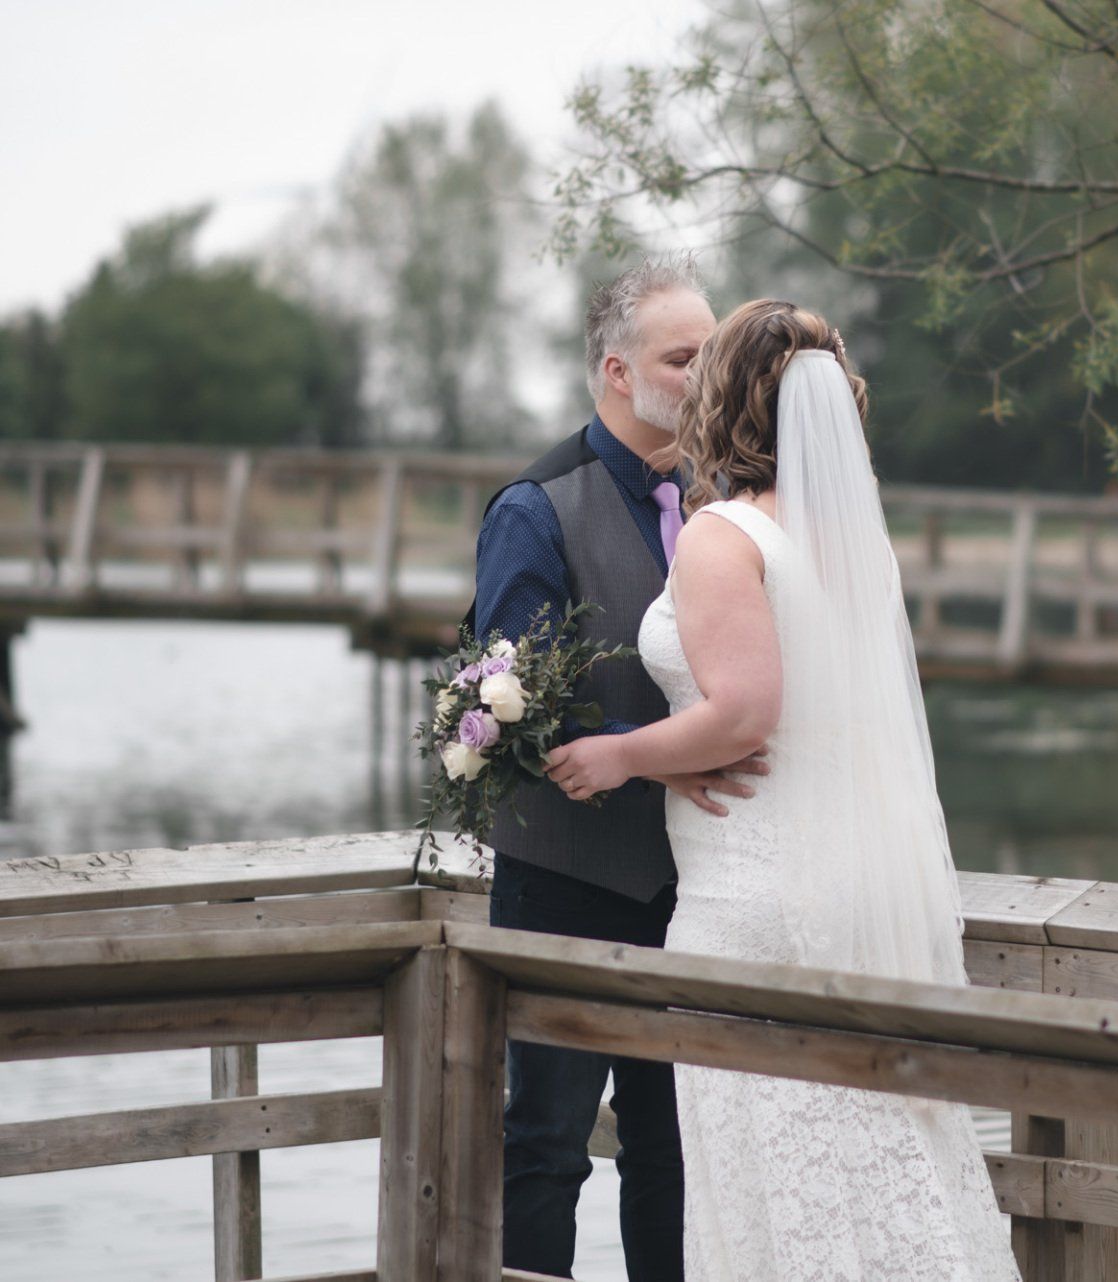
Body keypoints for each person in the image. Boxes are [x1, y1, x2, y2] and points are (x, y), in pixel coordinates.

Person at [542, 299, 1022, 1280]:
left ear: (724, 402)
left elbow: (747, 710)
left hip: (754, 891)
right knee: (870, 1146)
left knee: (764, 1159)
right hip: (845, 873)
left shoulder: (724, 535)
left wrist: (622, 755)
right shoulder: (852, 540)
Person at [467, 257, 763, 1282]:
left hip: (691, 889)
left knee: (674, 1146)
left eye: (713, 354)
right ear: (616, 370)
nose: (704, 374)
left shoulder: (723, 506)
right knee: (546, 1146)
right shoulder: (536, 507)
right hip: (566, 879)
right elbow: (512, 703)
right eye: (684, 356)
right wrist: (655, 764)